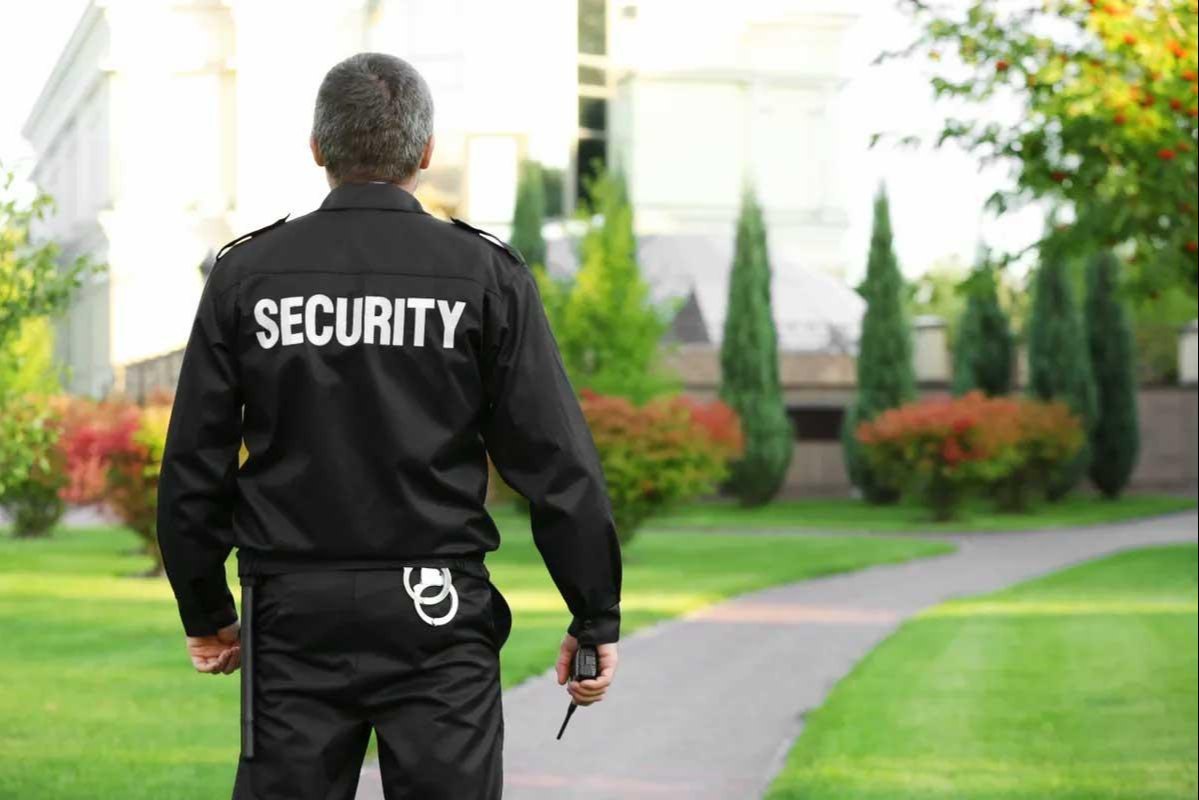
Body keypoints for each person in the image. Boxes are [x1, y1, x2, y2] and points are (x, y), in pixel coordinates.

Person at [156, 52, 622, 800]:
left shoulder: (247, 275)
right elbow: (555, 460)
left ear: (318, 150)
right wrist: (593, 613)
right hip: (436, 607)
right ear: (426, 154)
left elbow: (193, 462)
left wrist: (206, 610)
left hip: (293, 610)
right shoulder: (484, 275)